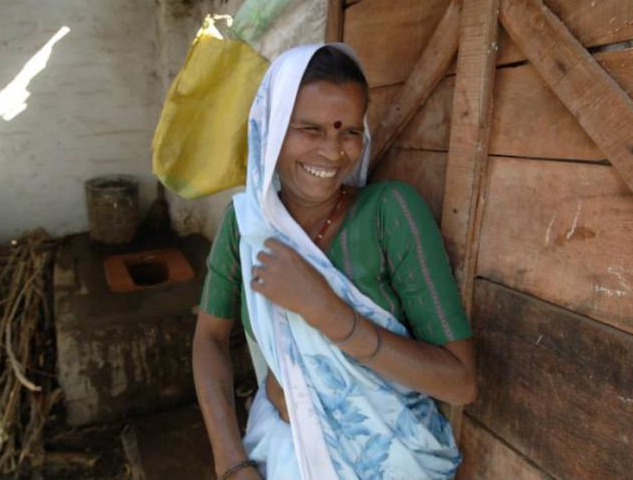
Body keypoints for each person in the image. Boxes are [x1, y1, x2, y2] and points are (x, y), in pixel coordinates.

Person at [192, 43, 476, 480]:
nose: (332, 151)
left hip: (395, 461)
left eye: (349, 131)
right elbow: (209, 339)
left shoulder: (389, 213)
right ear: (271, 128)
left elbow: (460, 383)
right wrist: (231, 463)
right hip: (282, 451)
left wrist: (327, 312)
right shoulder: (246, 226)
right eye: (309, 128)